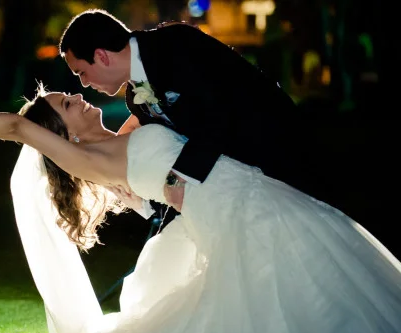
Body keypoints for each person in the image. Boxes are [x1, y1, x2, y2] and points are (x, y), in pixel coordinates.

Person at [0, 85, 401, 333]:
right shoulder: (87, 159)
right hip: (236, 217)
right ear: (60, 134)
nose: (73, 96)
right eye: (63, 104)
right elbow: (15, 126)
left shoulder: (130, 126)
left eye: (66, 92)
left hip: (253, 200)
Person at [57, 9, 336, 224]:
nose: (83, 84)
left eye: (82, 72)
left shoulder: (175, 44)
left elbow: (219, 113)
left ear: (102, 56)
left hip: (280, 155)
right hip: (236, 187)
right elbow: (168, 144)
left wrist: (179, 177)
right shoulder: (136, 98)